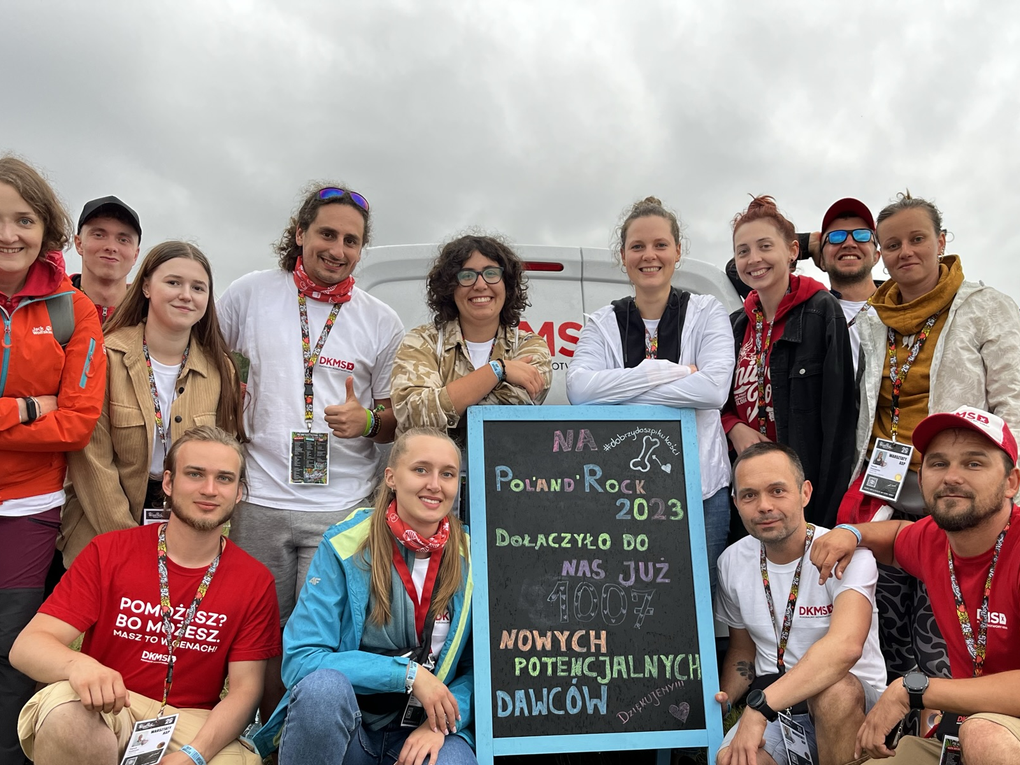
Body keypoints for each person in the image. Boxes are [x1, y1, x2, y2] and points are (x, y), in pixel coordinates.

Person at [217, 183, 404, 713]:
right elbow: (210, 370)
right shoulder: (249, 294)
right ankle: (266, 740)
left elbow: (394, 421)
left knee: (324, 640)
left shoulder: (380, 319)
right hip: (260, 501)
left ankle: (315, 734)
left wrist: (367, 419)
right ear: (299, 233)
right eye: (326, 233)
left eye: (351, 240)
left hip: (340, 508)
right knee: (258, 639)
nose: (338, 249)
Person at [12, 425, 280, 765]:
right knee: (67, 714)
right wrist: (79, 666)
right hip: (113, 705)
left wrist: (193, 754)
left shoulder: (255, 580)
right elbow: (28, 646)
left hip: (192, 722)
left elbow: (245, 691)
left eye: (224, 479)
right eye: (195, 474)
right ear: (168, 482)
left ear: (239, 492)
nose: (209, 489)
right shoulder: (110, 551)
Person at [838, 192, 1020, 681]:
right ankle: (896, 727)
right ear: (880, 252)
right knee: (888, 618)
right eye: (891, 243)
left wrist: (1005, 480)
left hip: (957, 483)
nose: (905, 252)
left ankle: (950, 726)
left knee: (948, 620)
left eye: (918, 239)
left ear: (942, 241)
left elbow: (1014, 403)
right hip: (886, 488)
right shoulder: (873, 321)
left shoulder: (986, 308)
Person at [253, 427, 475, 765]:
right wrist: (407, 675)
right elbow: (301, 661)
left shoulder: (475, 556)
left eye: (447, 474)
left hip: (423, 733)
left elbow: (485, 671)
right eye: (420, 469)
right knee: (322, 692)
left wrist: (443, 722)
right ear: (391, 477)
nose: (434, 484)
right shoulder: (345, 544)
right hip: (350, 728)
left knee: (453, 761)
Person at [812, 406, 1020, 763]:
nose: (952, 477)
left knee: (985, 736)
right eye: (938, 464)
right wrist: (852, 531)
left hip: (993, 735)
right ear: (920, 477)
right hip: (962, 733)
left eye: (973, 463)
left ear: (1011, 482)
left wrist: (914, 691)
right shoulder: (935, 538)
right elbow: (896, 538)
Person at [565, 197, 735, 595]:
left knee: (697, 603)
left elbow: (713, 390)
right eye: (637, 246)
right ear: (622, 256)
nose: (649, 255)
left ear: (678, 250)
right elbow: (579, 390)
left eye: (660, 244)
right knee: (627, 601)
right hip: (620, 497)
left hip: (701, 494)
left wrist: (621, 388)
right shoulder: (602, 322)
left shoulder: (707, 311)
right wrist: (666, 371)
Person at [0, 156, 106, 763]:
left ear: (47, 228)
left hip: (28, 509)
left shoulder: (73, 308)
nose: (10, 234)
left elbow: (75, 424)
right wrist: (28, 410)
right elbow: (50, 416)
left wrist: (44, 414)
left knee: (12, 650)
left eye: (24, 219)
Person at [59, 241, 247, 568]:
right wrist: (133, 546)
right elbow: (92, 463)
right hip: (102, 533)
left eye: (198, 287)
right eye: (173, 282)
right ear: (145, 286)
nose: (186, 295)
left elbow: (222, 460)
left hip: (187, 538)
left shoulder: (221, 369)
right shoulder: (104, 355)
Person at [714, 442, 885, 765]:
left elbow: (845, 649)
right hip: (780, 708)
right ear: (735, 502)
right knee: (733, 761)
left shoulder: (848, 555)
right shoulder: (731, 561)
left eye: (777, 491)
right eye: (749, 495)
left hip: (851, 702)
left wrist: (758, 709)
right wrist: (724, 698)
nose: (763, 506)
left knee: (835, 692)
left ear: (805, 493)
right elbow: (743, 650)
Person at [722, 195, 857, 529]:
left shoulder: (821, 310)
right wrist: (733, 427)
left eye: (765, 246)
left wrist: (826, 518)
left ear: (792, 251)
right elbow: (715, 399)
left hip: (804, 497)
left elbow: (839, 420)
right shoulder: (734, 325)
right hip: (749, 497)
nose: (754, 259)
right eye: (743, 251)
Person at [390, 234, 552, 447]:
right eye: (467, 276)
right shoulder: (421, 341)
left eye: (491, 273)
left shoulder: (530, 346)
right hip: (430, 477)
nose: (480, 284)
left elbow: (510, 410)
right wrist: (497, 370)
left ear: (507, 284)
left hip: (502, 476)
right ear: (450, 287)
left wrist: (446, 404)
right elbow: (415, 414)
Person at [815, 197, 881, 376]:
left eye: (862, 235)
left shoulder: (903, 305)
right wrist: (803, 245)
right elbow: (739, 271)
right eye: (836, 237)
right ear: (821, 258)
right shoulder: (807, 315)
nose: (849, 243)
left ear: (876, 256)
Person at [72, 196, 142, 323]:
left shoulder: (150, 314)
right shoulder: (45, 305)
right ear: (79, 244)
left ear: (135, 255)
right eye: (99, 235)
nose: (111, 247)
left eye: (123, 240)